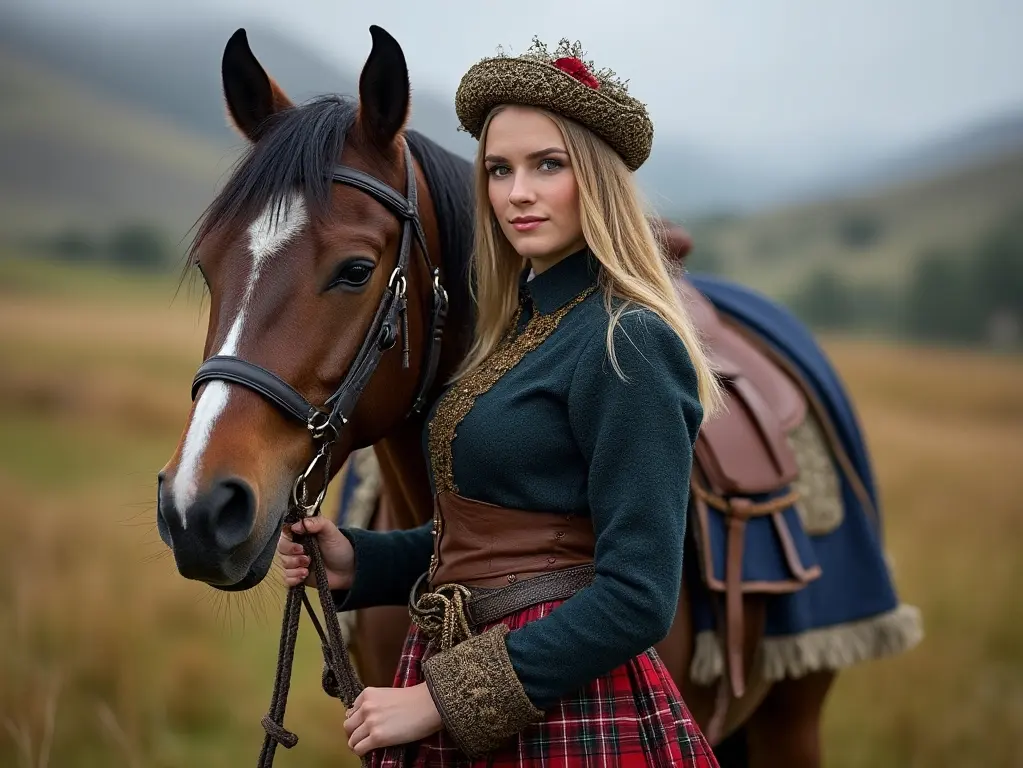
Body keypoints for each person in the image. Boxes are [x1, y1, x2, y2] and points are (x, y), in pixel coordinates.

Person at [277, 37, 724, 766]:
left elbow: (638, 595)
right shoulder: (517, 329)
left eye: (548, 165)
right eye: (498, 169)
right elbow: (501, 534)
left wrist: (440, 698)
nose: (518, 192)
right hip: (474, 673)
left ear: (597, 181)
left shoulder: (627, 340)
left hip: (567, 712)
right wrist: (361, 559)